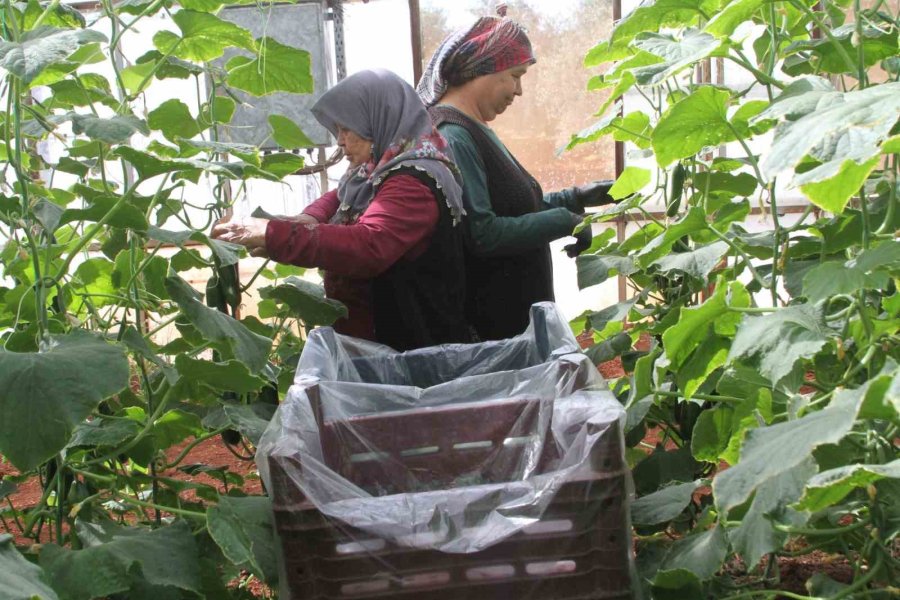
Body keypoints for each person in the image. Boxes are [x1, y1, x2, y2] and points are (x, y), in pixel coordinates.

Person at [212, 69, 473, 351]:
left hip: (411, 349)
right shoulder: (375, 169)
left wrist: (274, 235)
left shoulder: (413, 183)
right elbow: (339, 197)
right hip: (382, 344)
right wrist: (308, 218)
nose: (339, 140)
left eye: (346, 128)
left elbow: (369, 244)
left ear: (378, 119)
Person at [417, 16, 616, 341]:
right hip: (494, 326)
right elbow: (482, 233)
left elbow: (513, 204)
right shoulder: (453, 135)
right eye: (515, 76)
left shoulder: (470, 127)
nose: (519, 90)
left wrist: (578, 196)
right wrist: (565, 221)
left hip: (513, 320)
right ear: (481, 70)